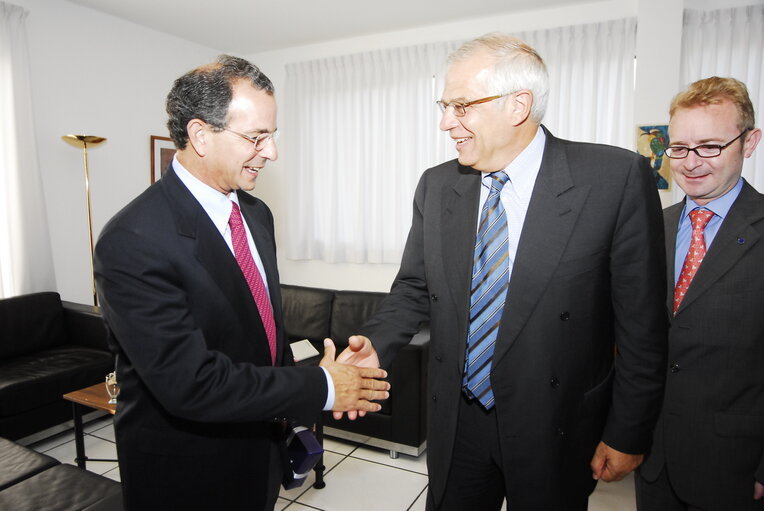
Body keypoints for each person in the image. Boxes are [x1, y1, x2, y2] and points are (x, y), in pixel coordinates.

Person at [337, 33, 668, 510]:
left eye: (461, 105)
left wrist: (628, 433)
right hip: (458, 421)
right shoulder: (436, 186)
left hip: (555, 423)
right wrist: (377, 343)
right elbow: (413, 287)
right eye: (444, 105)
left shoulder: (614, 179)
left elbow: (642, 327)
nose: (445, 122)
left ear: (518, 105)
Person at [93, 55, 390, 511]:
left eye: (272, 136)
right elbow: (190, 383)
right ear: (199, 135)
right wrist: (323, 386)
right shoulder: (132, 239)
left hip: (259, 450)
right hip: (187, 471)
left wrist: (315, 377)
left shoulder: (255, 214)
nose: (271, 152)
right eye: (256, 137)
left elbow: (257, 335)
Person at [636, 76, 764, 511]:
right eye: (679, 147)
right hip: (652, 458)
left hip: (735, 466)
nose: (689, 163)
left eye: (709, 146)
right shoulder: (652, 227)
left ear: (749, 143)